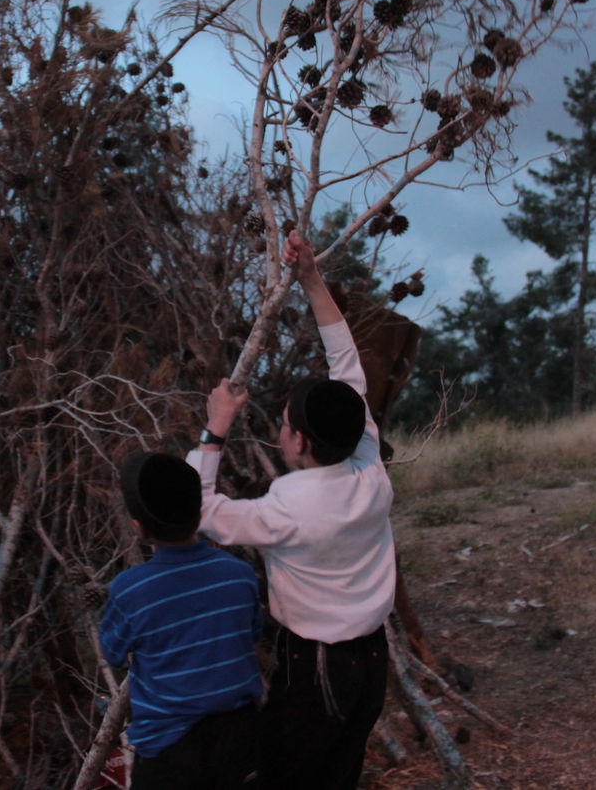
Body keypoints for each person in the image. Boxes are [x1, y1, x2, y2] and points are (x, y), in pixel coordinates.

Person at [189, 228, 397, 790]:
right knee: (340, 768)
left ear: (300, 442)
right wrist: (311, 278)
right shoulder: (370, 465)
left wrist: (215, 428)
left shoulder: (288, 507)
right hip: (372, 660)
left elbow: (199, 509)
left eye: (284, 424)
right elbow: (345, 363)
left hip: (318, 668)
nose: (281, 429)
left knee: (290, 774)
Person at [99, 452, 263, 789]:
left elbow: (113, 653)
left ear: (138, 527)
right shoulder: (239, 575)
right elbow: (252, 633)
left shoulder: (130, 590)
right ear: (198, 512)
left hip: (166, 749)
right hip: (240, 739)